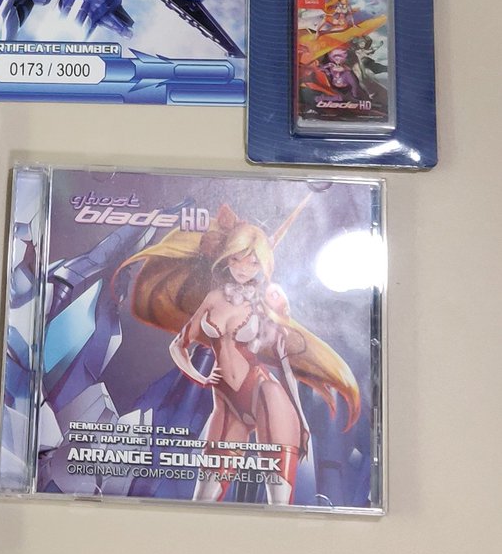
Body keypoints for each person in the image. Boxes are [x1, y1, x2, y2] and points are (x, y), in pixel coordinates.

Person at [122, 200, 360, 505]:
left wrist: (301, 422)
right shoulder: (213, 297)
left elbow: (284, 363)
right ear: (227, 258)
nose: (244, 269)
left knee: (279, 503)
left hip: (266, 397)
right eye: (237, 259)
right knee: (202, 500)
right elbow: (178, 345)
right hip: (225, 402)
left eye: (253, 263)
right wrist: (198, 376)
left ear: (263, 266)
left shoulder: (266, 303)